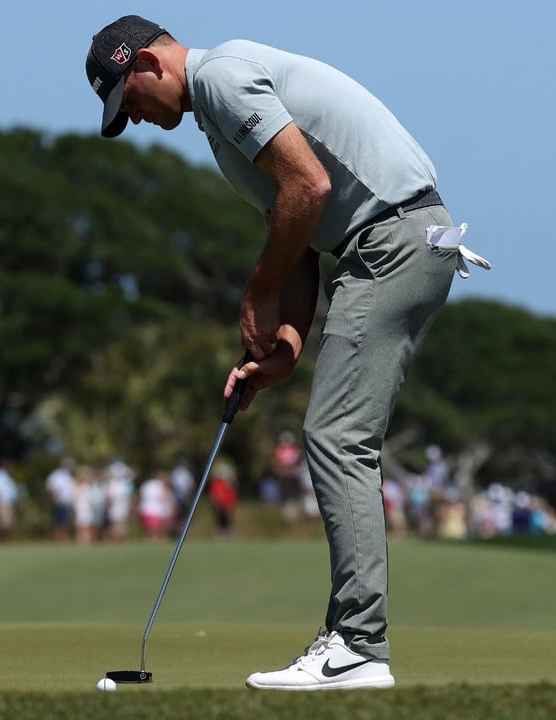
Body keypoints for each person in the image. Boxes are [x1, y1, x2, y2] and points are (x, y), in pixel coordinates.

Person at [84, 15, 489, 691]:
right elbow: (295, 226)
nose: (138, 120)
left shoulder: (219, 77)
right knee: (337, 433)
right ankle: (351, 641)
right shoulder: (217, 123)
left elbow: (310, 188)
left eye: (129, 102)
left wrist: (256, 292)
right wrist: (286, 346)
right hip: (384, 245)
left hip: (392, 240)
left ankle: (359, 645)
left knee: (336, 436)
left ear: (148, 64)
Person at [45, 458, 77, 542]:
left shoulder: (69, 476)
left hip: (67, 503)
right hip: (59, 502)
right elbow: (50, 488)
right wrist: (54, 499)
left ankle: (63, 540)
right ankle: (57, 541)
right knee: (59, 523)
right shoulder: (57, 475)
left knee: (65, 522)